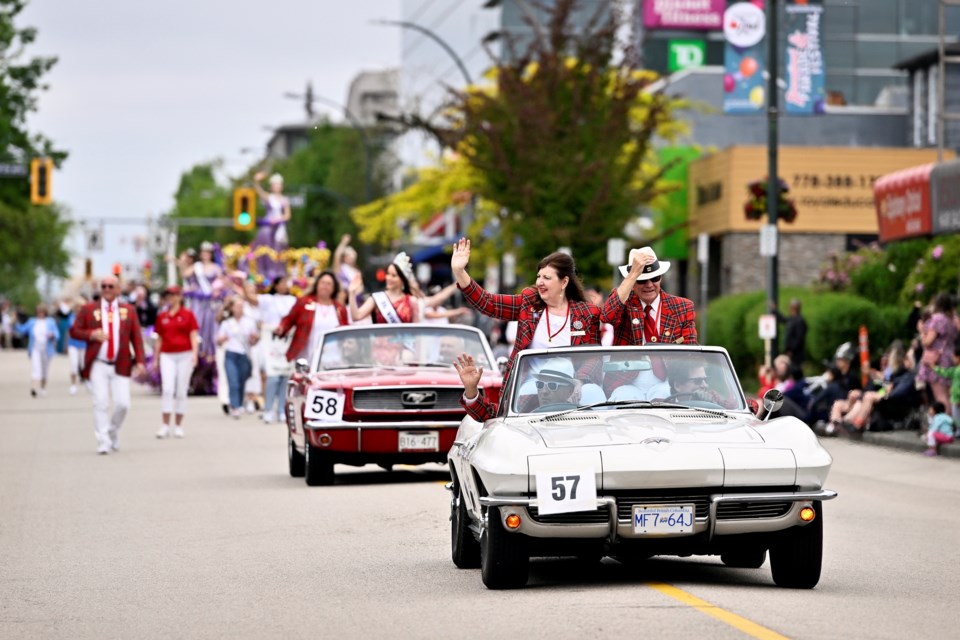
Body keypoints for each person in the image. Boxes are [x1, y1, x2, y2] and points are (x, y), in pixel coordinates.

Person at [450, 238, 601, 420]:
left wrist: (579, 381)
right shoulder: (529, 303)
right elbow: (487, 303)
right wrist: (459, 271)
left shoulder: (586, 312)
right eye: (538, 277)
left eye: (546, 277)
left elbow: (593, 357)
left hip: (573, 387)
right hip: (532, 386)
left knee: (593, 392)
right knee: (523, 396)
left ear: (564, 282)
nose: (539, 282)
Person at [70, 275, 147, 454]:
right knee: (100, 402)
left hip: (121, 363)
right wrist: (91, 334)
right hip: (98, 363)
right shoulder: (89, 309)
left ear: (118, 289)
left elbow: (136, 337)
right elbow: (74, 330)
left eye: (111, 286)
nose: (107, 289)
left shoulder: (128, 310)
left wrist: (141, 362)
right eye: (104, 286)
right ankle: (103, 440)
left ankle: (112, 429)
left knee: (123, 403)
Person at [602, 246, 697, 346]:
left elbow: (690, 351)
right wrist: (633, 274)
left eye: (655, 278)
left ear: (661, 278)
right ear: (632, 283)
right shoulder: (624, 305)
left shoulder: (682, 307)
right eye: (642, 280)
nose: (649, 285)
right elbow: (606, 317)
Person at [455, 354, 581, 416]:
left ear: (569, 391)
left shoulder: (583, 413)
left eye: (553, 385)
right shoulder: (525, 403)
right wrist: (471, 389)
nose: (544, 391)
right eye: (540, 384)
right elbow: (491, 414)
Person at [153, 285, 199, 438]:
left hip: (185, 354)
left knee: (181, 389)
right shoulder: (162, 316)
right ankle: (165, 424)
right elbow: (159, 338)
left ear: (179, 297)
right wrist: (155, 359)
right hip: (167, 354)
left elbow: (193, 335)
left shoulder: (188, 314)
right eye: (169, 295)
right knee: (167, 389)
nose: (171, 298)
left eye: (174, 295)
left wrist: (194, 354)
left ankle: (178, 425)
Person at [275, 270, 350, 366]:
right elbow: (289, 319)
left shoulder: (340, 309)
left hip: (333, 359)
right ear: (317, 285)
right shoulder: (304, 303)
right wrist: (282, 327)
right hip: (306, 358)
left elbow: (345, 331)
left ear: (334, 288)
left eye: (328, 284)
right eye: (322, 283)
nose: (325, 286)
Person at [216, 297, 259, 419]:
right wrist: (222, 340)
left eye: (241, 306)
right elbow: (218, 341)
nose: (239, 309)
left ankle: (239, 403)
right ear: (232, 308)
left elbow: (254, 341)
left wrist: (254, 338)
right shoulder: (227, 323)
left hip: (244, 355)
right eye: (237, 306)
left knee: (241, 381)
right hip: (231, 354)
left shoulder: (249, 322)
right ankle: (234, 405)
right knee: (233, 381)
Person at [348, 252, 420, 324]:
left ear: (403, 279)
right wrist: (352, 292)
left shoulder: (411, 301)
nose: (388, 278)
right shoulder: (377, 298)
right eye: (388, 274)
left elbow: (417, 330)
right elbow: (356, 316)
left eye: (393, 275)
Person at [917, 292, 958, 409]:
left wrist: (921, 331)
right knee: (948, 395)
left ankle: (947, 425)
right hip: (949, 358)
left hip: (937, 360)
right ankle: (952, 422)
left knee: (940, 396)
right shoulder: (952, 320)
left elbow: (928, 342)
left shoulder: (937, 319)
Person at [251, 171, 291, 282]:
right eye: (275, 184)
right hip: (268, 229)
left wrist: (279, 219)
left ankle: (278, 274)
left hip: (279, 229)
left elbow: (287, 215)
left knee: (279, 250)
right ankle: (265, 273)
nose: (277, 186)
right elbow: (258, 191)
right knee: (265, 249)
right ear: (271, 186)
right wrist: (256, 181)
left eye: (279, 184)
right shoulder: (269, 197)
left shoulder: (284, 200)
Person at [16, 304, 59, 397]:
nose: (40, 314)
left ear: (45, 312)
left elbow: (57, 334)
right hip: (35, 348)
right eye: (39, 312)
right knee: (36, 368)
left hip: (47, 349)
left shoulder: (50, 322)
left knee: (44, 370)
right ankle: (34, 388)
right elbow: (22, 329)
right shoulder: (32, 322)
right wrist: (15, 322)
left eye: (42, 312)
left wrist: (52, 334)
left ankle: (43, 387)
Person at [771, 298, 807, 371]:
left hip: (795, 354)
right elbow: (783, 319)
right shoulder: (791, 319)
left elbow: (799, 338)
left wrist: (791, 350)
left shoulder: (800, 320)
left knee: (794, 370)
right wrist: (775, 310)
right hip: (789, 352)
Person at [932, 345, 960, 430]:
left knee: (957, 416)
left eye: (954, 357)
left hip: (957, 398)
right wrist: (935, 367)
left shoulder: (958, 371)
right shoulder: (956, 370)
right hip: (955, 398)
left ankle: (959, 431)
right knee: (956, 415)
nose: (952, 359)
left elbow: (946, 373)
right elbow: (947, 372)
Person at [66, 297, 87, 395]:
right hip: (73, 344)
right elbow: (72, 329)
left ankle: (87, 381)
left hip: (84, 344)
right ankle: (73, 385)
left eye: (81, 307)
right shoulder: (71, 317)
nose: (79, 309)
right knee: (74, 365)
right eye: (78, 307)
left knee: (84, 365)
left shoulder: (87, 317)